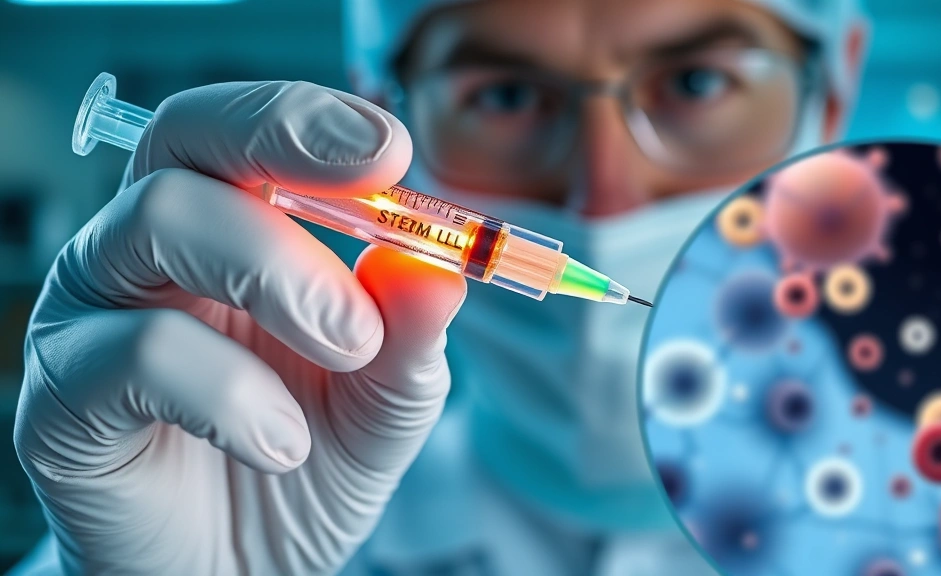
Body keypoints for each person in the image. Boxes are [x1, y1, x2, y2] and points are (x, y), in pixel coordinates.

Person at [10, 0, 866, 574]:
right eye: (505, 94)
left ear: (834, 92)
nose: (603, 198)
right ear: (384, 104)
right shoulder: (252, 506)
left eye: (696, 83)